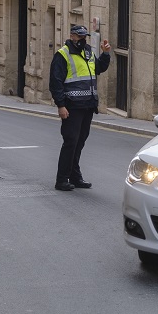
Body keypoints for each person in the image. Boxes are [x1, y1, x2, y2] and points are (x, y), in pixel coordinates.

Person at [49, 25, 111, 191]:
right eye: (78, 36)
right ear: (71, 36)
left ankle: (75, 177)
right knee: (70, 142)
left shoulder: (89, 52)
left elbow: (99, 68)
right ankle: (61, 180)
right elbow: (56, 83)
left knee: (80, 143)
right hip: (72, 107)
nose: (82, 39)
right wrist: (61, 105)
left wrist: (105, 54)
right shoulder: (63, 54)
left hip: (88, 105)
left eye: (84, 37)